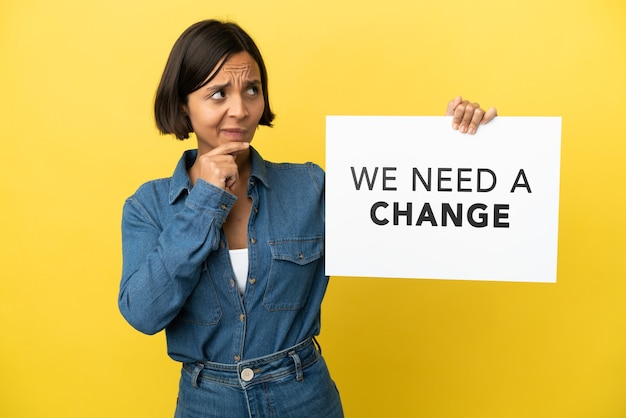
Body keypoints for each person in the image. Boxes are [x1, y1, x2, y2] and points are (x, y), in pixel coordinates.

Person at [118, 19, 497, 418]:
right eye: (217, 94)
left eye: (252, 90)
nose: (240, 109)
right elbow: (143, 313)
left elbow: (414, 215)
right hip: (206, 402)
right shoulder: (149, 206)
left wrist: (458, 146)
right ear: (182, 103)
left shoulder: (310, 187)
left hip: (303, 398)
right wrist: (204, 204)